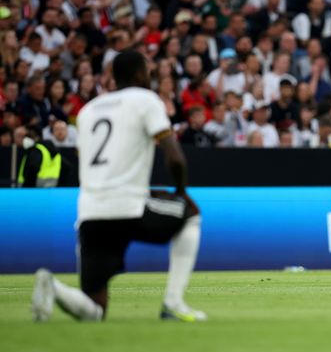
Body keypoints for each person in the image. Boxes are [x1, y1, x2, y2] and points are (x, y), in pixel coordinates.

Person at [31, 50, 206, 322]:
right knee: (191, 215)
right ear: (138, 73)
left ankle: (53, 287)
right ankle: (173, 302)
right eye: (147, 71)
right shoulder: (146, 100)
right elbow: (175, 158)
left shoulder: (88, 111)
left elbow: (89, 161)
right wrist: (181, 193)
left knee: (95, 310)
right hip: (129, 207)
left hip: (90, 214)